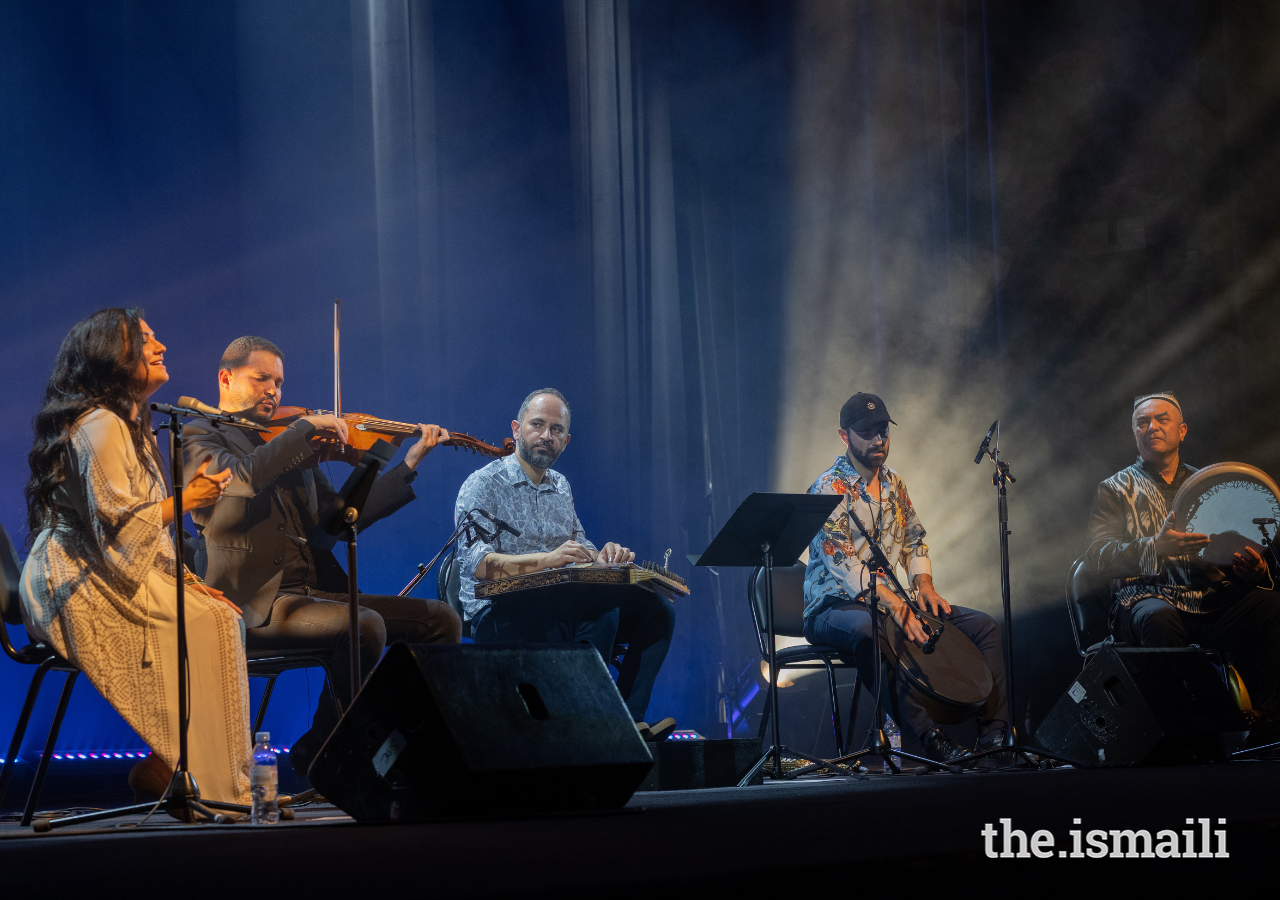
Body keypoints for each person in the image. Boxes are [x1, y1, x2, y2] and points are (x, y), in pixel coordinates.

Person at [182, 336, 461, 779]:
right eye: (261, 379)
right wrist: (304, 431)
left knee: (441, 619)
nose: (273, 390)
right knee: (363, 624)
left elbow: (338, 523)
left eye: (279, 382)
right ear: (226, 378)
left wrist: (401, 463)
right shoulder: (200, 434)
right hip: (255, 603)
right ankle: (356, 762)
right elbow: (237, 485)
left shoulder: (292, 447)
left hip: (313, 593)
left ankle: (333, 746)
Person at [20, 309, 252, 806]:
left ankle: (180, 767)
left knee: (214, 613)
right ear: (111, 356)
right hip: (73, 575)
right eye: (144, 340)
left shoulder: (130, 425)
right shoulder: (99, 424)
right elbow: (119, 524)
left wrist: (188, 581)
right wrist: (191, 498)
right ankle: (193, 774)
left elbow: (140, 532)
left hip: (102, 563)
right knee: (207, 620)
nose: (161, 346)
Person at [454, 388, 676, 739]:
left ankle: (626, 719)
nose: (546, 436)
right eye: (537, 425)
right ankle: (582, 722)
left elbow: (580, 546)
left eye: (556, 430)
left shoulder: (560, 486)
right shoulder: (483, 484)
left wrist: (603, 557)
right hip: (499, 610)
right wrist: (549, 560)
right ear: (516, 429)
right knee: (598, 610)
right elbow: (478, 563)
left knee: (657, 610)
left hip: (558, 601)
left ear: (566, 441)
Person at [803, 392, 1010, 763]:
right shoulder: (827, 489)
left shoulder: (895, 485)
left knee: (985, 628)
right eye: (867, 432)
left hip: (892, 603)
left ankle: (994, 737)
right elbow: (845, 567)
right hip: (832, 608)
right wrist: (896, 605)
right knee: (871, 631)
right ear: (844, 436)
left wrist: (924, 586)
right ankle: (928, 738)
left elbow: (915, 540)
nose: (878, 440)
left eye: (883, 431)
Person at [1086, 392, 1279, 743]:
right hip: (1143, 599)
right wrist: (1156, 548)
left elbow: (1229, 550)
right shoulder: (1115, 489)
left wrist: (1252, 573)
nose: (1152, 427)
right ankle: (1181, 735)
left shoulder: (1211, 484)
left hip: (1209, 601)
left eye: (1161, 419)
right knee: (1160, 617)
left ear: (1183, 430)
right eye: (1142, 422)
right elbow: (1098, 557)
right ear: (1135, 434)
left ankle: (1268, 724)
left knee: (1273, 607)